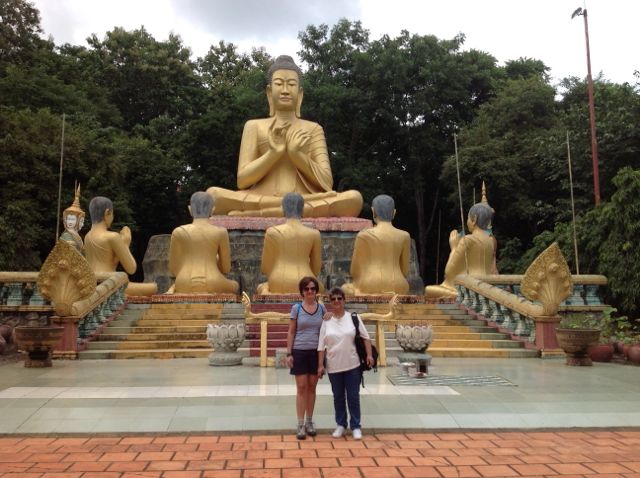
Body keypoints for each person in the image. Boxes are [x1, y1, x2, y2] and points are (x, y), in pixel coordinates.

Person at [207, 55, 363, 217]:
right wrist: (273, 153)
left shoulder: (313, 129)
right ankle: (288, 210)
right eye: (279, 84)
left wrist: (297, 155)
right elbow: (242, 180)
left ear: (300, 93)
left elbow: (326, 183)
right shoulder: (254, 126)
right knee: (212, 195)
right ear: (269, 91)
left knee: (353, 198)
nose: (285, 90)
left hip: (306, 198)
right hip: (263, 197)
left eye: (292, 85)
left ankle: (265, 212)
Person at [317, 286, 374, 440]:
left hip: (353, 365)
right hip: (334, 365)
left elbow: (366, 337)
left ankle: (356, 426)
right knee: (338, 397)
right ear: (330, 302)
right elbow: (321, 346)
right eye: (333, 299)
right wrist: (320, 365)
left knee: (353, 396)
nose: (336, 301)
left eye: (339, 298)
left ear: (344, 300)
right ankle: (341, 424)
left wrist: (369, 355)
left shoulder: (353, 318)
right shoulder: (326, 321)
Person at [84, 196, 157, 296]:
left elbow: (111, 264)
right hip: (111, 284)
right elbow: (131, 269)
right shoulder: (112, 237)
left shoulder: (87, 237)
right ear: (107, 213)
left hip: (92, 283)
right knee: (153, 288)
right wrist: (126, 243)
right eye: (112, 214)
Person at [168, 192, 238, 294]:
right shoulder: (221, 232)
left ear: (190, 209)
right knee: (235, 285)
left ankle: (174, 288)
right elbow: (225, 269)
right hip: (213, 281)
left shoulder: (178, 232)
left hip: (183, 282)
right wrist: (214, 260)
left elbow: (174, 270)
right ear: (212, 210)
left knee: (177, 284)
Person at [425, 199, 495, 299]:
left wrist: (454, 247)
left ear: (474, 219)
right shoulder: (490, 242)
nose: (467, 221)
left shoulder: (468, 240)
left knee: (429, 289)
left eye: (468, 218)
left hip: (469, 289)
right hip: (487, 287)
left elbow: (449, 272)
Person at [342, 194, 410, 295]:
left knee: (345, 288)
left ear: (373, 211)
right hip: (399, 285)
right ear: (394, 213)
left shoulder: (364, 235)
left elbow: (354, 271)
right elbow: (404, 271)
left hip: (370, 284)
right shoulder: (404, 236)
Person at [256, 192, 323, 294]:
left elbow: (265, 268)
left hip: (278, 281)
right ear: (303, 210)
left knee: (262, 286)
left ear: (283, 209)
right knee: (320, 287)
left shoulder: (272, 232)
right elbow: (316, 269)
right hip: (307, 284)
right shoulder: (314, 234)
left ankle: (265, 290)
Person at [286, 276, 326, 440]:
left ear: (316, 291)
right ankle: (300, 423)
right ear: (302, 292)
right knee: (301, 387)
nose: (310, 291)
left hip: (316, 352)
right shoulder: (296, 308)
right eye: (307, 289)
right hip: (300, 351)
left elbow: (326, 330)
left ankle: (310, 421)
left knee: (312, 387)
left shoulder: (322, 309)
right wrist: (289, 353)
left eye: (313, 289)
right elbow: (291, 331)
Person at [59, 183, 85, 253]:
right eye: (68, 219)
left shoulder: (77, 236)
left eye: (72, 219)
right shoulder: (67, 235)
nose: (70, 222)